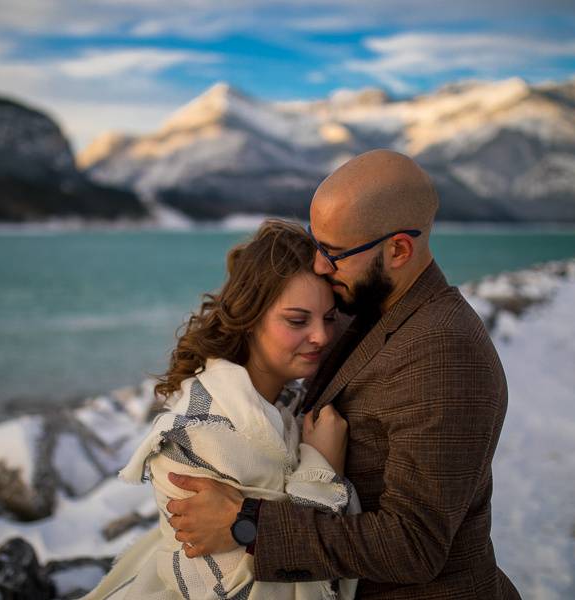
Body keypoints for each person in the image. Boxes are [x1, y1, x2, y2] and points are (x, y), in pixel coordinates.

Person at [163, 150, 522, 599]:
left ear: (398, 250)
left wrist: (247, 521)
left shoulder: (445, 350)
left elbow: (415, 545)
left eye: (334, 253)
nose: (318, 266)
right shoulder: (367, 305)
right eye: (318, 246)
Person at [81, 220, 360, 600]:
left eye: (329, 319)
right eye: (297, 320)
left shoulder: (292, 409)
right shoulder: (192, 438)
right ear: (249, 318)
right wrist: (319, 468)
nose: (321, 336)